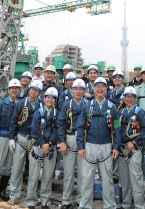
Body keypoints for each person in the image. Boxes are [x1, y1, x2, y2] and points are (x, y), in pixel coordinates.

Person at [77, 77, 121, 209]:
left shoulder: (112, 107)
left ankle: (109, 206)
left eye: (103, 86)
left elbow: (117, 127)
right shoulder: (87, 106)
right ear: (94, 89)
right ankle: (85, 205)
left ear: (106, 89)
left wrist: (116, 147)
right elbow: (80, 127)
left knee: (107, 179)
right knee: (87, 179)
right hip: (89, 146)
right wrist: (80, 146)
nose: (100, 89)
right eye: (97, 86)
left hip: (106, 147)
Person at [8, 80, 44, 205]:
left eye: (36, 90)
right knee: (17, 168)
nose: (33, 91)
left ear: (39, 92)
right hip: (21, 138)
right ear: (29, 89)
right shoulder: (21, 103)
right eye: (32, 89)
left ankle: (32, 198)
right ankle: (14, 195)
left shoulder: (42, 104)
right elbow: (13, 121)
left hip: (35, 140)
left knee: (34, 170)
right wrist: (11, 137)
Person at [26, 87, 60, 209]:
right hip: (37, 146)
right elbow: (34, 131)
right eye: (48, 97)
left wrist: (49, 143)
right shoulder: (37, 113)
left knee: (47, 176)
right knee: (34, 176)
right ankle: (31, 201)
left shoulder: (57, 114)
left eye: (53, 98)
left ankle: (45, 200)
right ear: (44, 98)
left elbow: (58, 130)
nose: (50, 100)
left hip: (50, 148)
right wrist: (42, 144)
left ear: (55, 100)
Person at [0, 79, 21, 200]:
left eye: (16, 88)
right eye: (12, 88)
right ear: (8, 90)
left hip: (12, 139)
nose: (14, 90)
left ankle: (1, 192)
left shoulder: (19, 106)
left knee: (7, 166)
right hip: (1, 138)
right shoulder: (1, 105)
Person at [57, 79, 87, 209]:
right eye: (76, 89)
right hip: (69, 138)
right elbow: (60, 123)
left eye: (81, 89)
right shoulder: (66, 105)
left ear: (84, 91)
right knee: (68, 173)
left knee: (82, 173)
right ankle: (66, 201)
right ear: (72, 90)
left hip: (84, 140)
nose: (78, 91)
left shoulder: (88, 104)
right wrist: (62, 142)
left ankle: (81, 200)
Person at [117, 86, 145, 209]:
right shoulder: (120, 112)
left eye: (132, 97)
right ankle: (126, 205)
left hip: (134, 149)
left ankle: (140, 206)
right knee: (124, 180)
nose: (129, 99)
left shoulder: (140, 112)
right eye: (127, 96)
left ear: (135, 98)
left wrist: (134, 142)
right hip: (122, 150)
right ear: (124, 97)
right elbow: (116, 130)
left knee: (136, 180)